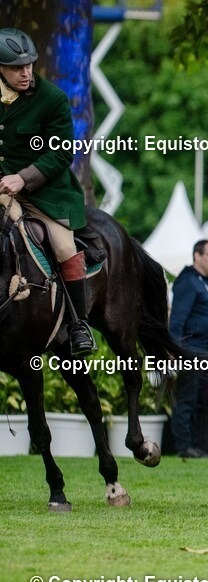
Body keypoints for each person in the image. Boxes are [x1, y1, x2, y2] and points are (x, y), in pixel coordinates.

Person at [0, 28, 95, 357]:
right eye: (17, 68)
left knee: (64, 246)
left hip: (44, 194)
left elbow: (61, 153)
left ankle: (79, 325)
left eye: (29, 65)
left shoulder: (52, 98)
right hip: (1, 189)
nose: (26, 72)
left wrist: (22, 179)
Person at [169, 240, 208, 458]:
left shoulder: (206, 283)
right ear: (197, 256)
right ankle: (183, 446)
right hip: (191, 349)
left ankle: (194, 445)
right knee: (187, 398)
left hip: (206, 349)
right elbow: (177, 320)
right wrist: (175, 351)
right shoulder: (188, 281)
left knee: (199, 400)